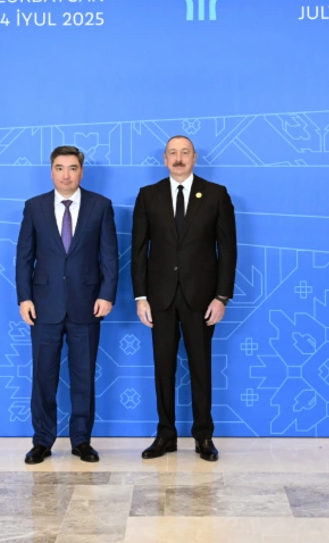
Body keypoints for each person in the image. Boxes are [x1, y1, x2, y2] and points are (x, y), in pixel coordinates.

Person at [131, 135, 237, 462]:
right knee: (163, 368)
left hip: (202, 299)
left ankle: (203, 436)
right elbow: (138, 251)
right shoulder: (148, 195)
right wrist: (140, 296)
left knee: (201, 367)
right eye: (173, 153)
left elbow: (228, 250)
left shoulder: (216, 194)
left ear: (194, 158)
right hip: (159, 298)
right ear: (164, 159)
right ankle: (165, 435)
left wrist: (221, 297)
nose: (179, 158)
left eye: (185, 152)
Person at [15, 145, 118, 464]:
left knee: (83, 375)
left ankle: (81, 440)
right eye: (59, 168)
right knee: (43, 376)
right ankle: (42, 440)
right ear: (51, 172)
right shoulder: (35, 207)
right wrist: (24, 298)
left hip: (87, 304)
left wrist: (107, 294)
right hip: (43, 306)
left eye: (72, 168)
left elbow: (110, 256)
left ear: (81, 171)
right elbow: (24, 257)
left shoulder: (100, 206)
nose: (66, 174)